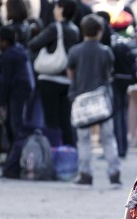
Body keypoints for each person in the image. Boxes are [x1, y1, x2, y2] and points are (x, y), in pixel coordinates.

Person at [67, 14, 121, 188]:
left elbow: (70, 73)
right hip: (102, 101)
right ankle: (114, 174)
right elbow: (109, 73)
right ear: (99, 31)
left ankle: (85, 175)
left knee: (83, 140)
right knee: (107, 138)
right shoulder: (105, 51)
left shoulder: (75, 51)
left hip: (81, 100)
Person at [28, 0, 80, 146]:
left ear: (61, 9)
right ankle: (70, 151)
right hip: (67, 79)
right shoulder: (75, 29)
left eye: (56, 7)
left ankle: (53, 152)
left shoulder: (54, 28)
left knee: (51, 120)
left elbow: (33, 44)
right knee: (66, 120)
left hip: (50, 79)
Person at [0, 26, 35, 144]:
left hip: (17, 90)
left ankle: (18, 152)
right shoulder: (19, 51)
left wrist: (2, 101)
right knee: (17, 120)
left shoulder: (8, 55)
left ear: (4, 41)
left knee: (15, 122)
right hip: (25, 88)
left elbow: (6, 80)